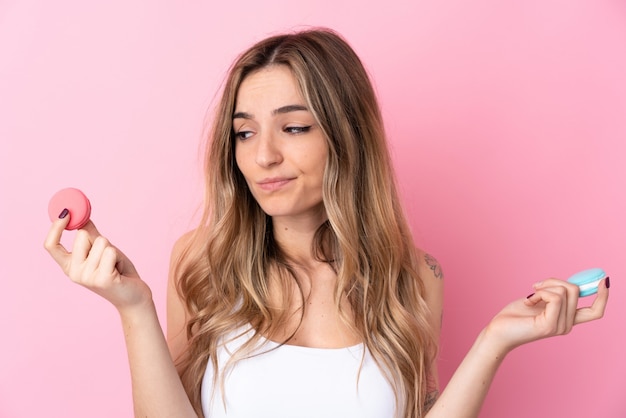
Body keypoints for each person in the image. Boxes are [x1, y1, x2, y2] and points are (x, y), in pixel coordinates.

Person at [44, 28, 609, 418]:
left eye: (294, 128)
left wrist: (495, 341)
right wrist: (134, 306)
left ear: (346, 136)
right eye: (244, 132)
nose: (262, 156)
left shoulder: (414, 276)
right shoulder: (201, 260)